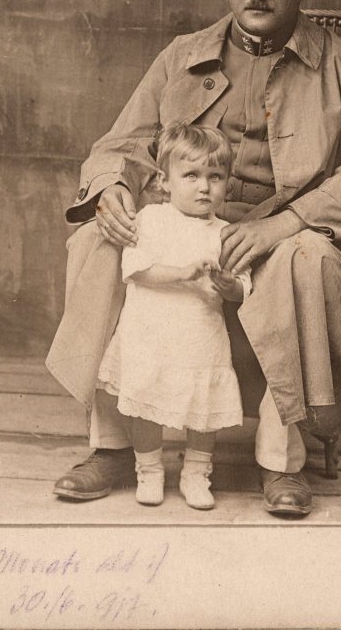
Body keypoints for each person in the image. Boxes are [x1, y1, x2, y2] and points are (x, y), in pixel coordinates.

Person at [47, 0, 341, 518]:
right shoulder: (182, 55)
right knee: (100, 238)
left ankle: (281, 461)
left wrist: (287, 222)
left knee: (307, 259)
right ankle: (113, 446)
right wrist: (110, 186)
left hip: (283, 231)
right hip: (185, 224)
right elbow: (121, 144)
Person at [96, 122, 249, 510]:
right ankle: (149, 470)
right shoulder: (150, 219)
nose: (204, 187)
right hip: (151, 334)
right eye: (191, 176)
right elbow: (137, 270)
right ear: (164, 181)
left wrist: (229, 284)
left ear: (227, 183)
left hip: (200, 338)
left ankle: (196, 473)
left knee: (203, 412)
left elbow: (243, 287)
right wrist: (184, 274)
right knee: (146, 405)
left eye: (215, 177)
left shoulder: (226, 232)